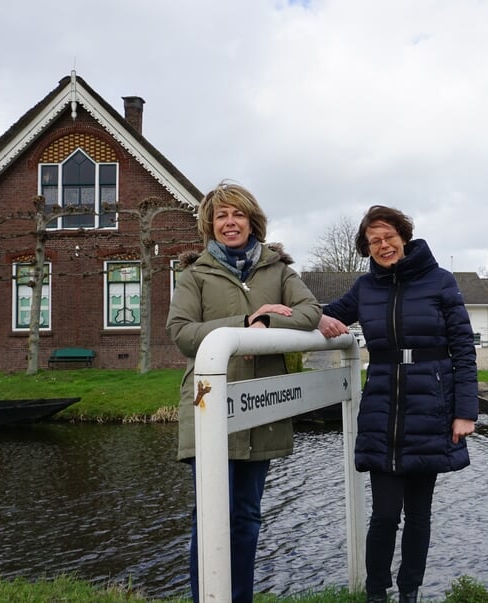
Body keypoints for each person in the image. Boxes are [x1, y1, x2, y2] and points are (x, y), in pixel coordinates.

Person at [166, 180, 322, 603]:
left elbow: (310, 313)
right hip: (210, 407)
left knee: (247, 516)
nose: (230, 222)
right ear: (209, 225)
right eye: (221, 216)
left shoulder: (279, 271)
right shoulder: (194, 274)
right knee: (211, 517)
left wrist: (269, 325)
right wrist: (246, 320)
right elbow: (180, 334)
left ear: (253, 222)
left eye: (238, 214)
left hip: (261, 408)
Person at [318, 205, 478, 603]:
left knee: (418, 515)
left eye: (389, 236)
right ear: (367, 247)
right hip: (382, 409)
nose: (383, 245)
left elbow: (463, 349)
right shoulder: (365, 288)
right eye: (374, 241)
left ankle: (410, 593)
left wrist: (464, 412)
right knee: (385, 514)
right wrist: (297, 316)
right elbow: (327, 314)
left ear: (404, 236)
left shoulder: (440, 281)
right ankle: (376, 594)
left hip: (431, 407)